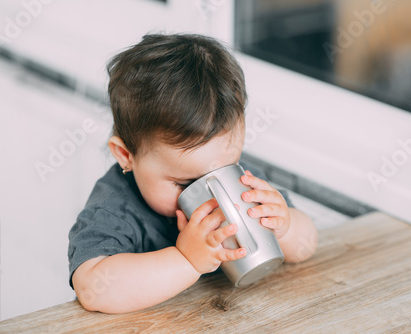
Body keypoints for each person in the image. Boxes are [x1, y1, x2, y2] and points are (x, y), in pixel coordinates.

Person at [68, 33, 318, 314]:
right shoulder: (114, 210)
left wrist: (285, 227)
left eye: (225, 171)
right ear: (127, 156)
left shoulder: (242, 180)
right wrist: (187, 259)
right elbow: (92, 289)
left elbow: (306, 246)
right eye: (186, 183)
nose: (215, 197)